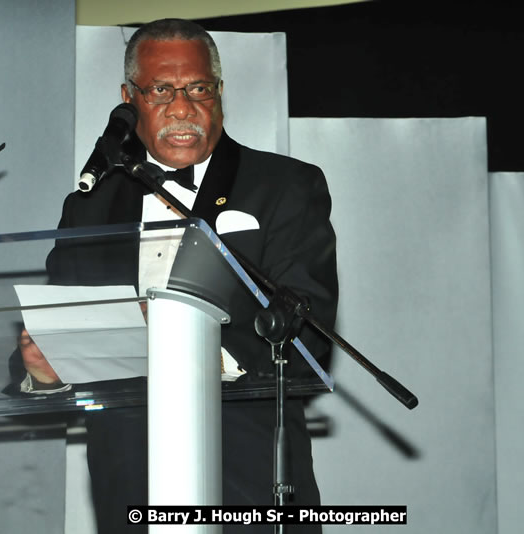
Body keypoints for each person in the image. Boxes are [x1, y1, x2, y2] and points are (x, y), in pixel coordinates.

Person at [20, 18, 338, 533]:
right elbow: (58, 330)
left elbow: (308, 334)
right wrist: (42, 370)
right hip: (130, 492)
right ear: (129, 98)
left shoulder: (283, 186)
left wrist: (179, 332)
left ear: (219, 92)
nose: (182, 107)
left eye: (198, 88)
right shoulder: (89, 209)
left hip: (252, 488)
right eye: (161, 89)